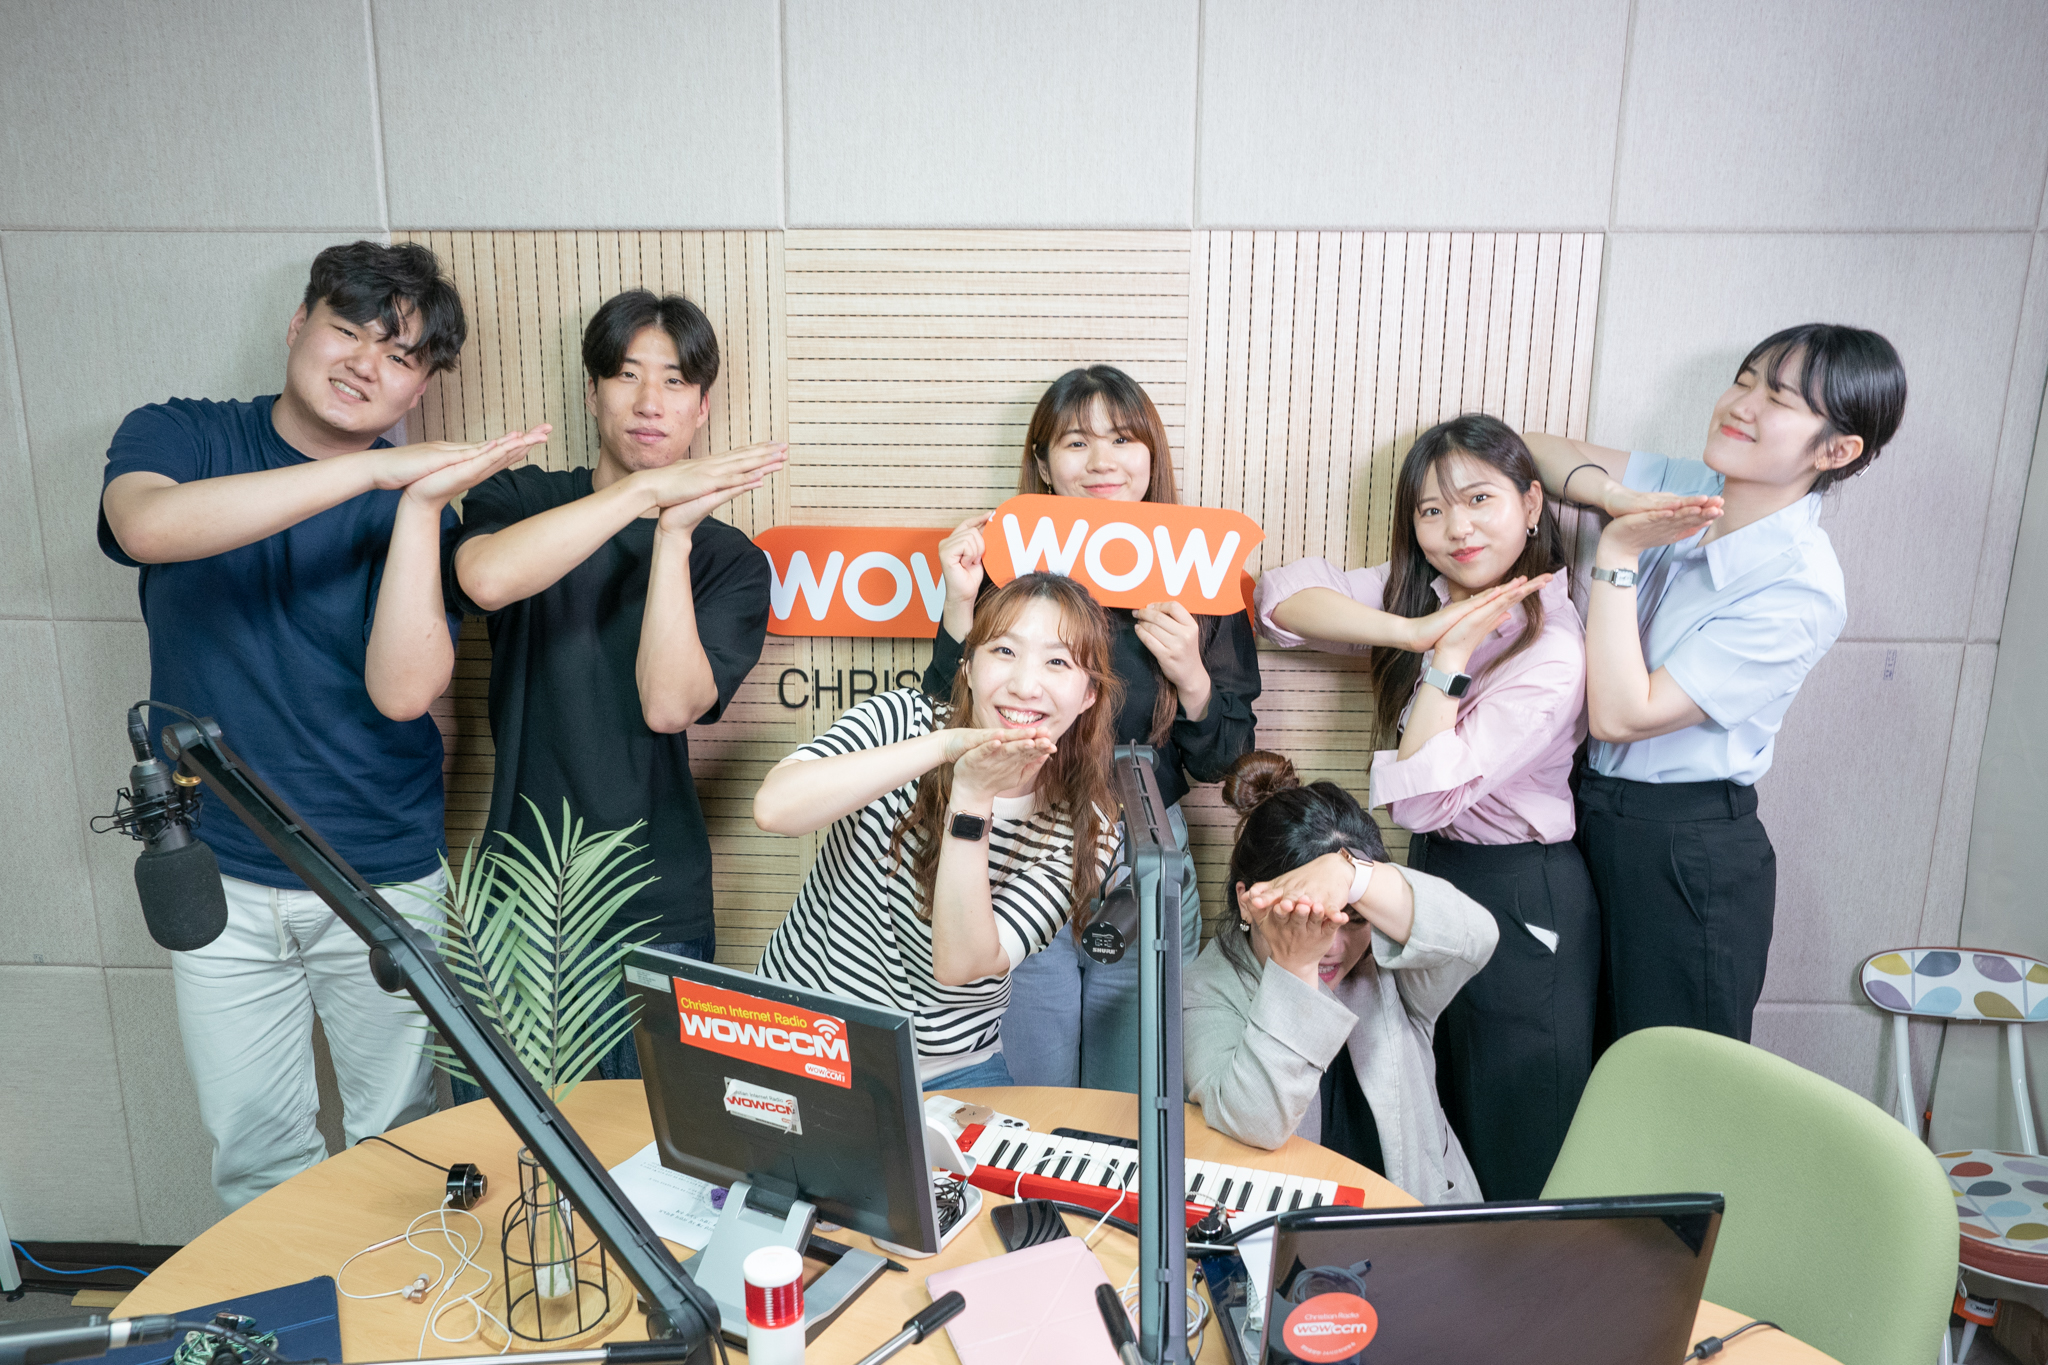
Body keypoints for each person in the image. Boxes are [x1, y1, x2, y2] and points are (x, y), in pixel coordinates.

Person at [98, 240, 546, 1208]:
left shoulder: (415, 497)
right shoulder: (181, 433)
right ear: (299, 323)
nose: (365, 366)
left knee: (407, 1148)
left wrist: (413, 504)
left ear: (421, 386)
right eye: (349, 332)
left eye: (400, 356)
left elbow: (404, 692)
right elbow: (146, 527)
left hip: (378, 865)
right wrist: (365, 476)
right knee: (255, 1152)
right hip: (219, 868)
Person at [1523, 322, 1907, 1044]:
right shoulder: (1694, 488)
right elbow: (1529, 449)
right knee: (1581, 1065)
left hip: (1683, 847)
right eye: (1745, 379)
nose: (1741, 404)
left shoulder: (1800, 586)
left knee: (1668, 1078)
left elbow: (1621, 714)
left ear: (1835, 450)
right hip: (1584, 810)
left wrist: (1618, 551)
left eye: (1779, 398)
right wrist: (1613, 494)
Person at [448, 289, 787, 1085]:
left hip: (655, 908)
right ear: (593, 391)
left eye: (674, 381)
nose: (648, 402)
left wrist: (672, 536)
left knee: (651, 1145)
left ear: (702, 407)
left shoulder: (730, 562)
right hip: (518, 902)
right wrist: (640, 494)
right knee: (502, 1142)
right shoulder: (521, 499)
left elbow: (669, 705)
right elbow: (485, 580)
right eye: (627, 375)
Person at [1254, 413, 1594, 1199]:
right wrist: (1413, 629)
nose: (1457, 529)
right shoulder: (1435, 595)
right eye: (1432, 510)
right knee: (1441, 1119)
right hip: (1435, 874)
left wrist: (1444, 660)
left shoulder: (1552, 647)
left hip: (1522, 889)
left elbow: (1424, 801)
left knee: (1515, 1129)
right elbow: (1283, 598)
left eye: (1479, 500)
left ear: (1532, 504)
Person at [924, 365, 1261, 1091]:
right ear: (1044, 464)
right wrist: (958, 604)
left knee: (1136, 1084)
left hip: (1145, 849)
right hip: (1020, 841)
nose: (1102, 461)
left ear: (1151, 455)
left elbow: (1224, 760)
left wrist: (1192, 675)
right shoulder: (1002, 570)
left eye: (1122, 439)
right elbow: (941, 717)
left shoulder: (1200, 572)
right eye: (1076, 442)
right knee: (1028, 1074)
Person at [756, 572, 1122, 1090]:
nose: (1025, 685)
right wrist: (946, 746)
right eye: (1004, 651)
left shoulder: (1087, 827)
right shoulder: (898, 721)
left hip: (948, 1067)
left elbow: (962, 965)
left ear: (1088, 694)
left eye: (1057, 662)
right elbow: (774, 809)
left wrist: (972, 798)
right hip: (796, 1035)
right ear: (967, 667)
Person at [1183, 752, 1496, 1205]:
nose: (1331, 945)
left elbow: (1479, 936)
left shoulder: (1391, 961)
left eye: (1353, 918)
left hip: (1416, 1217)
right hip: (1288, 1230)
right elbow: (1257, 1120)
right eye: (1306, 916)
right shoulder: (1205, 987)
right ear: (1248, 901)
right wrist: (1295, 967)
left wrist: (1351, 874)